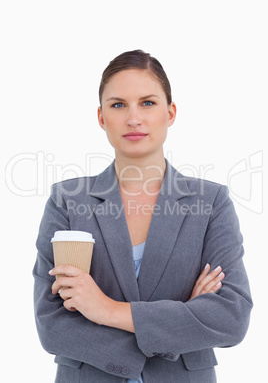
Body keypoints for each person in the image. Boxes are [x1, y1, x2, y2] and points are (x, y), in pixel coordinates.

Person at [33, 50, 253, 382]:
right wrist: (182, 322)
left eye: (147, 103)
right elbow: (51, 325)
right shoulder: (68, 201)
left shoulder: (211, 203)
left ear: (170, 112)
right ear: (101, 117)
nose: (133, 118)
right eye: (118, 104)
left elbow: (231, 318)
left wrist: (106, 310)